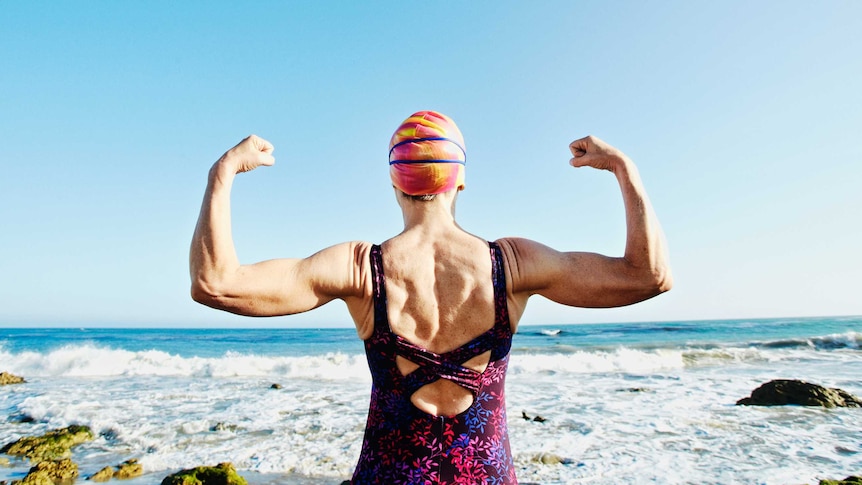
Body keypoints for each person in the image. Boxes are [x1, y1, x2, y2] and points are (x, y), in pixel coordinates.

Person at [189, 110, 672, 484]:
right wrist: (622, 169)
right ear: (460, 179)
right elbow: (648, 276)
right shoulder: (514, 264)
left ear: (395, 180)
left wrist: (222, 173)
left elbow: (216, 283)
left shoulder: (360, 268)